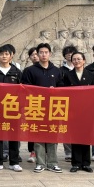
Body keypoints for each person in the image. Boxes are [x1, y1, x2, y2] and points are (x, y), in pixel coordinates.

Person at [21, 43, 64, 173]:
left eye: (46, 52)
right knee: (38, 135)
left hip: (53, 108)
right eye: (41, 52)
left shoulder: (57, 71)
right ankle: (40, 163)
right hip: (36, 107)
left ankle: (52, 162)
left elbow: (62, 88)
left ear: (50, 54)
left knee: (52, 135)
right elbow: (25, 88)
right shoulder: (30, 71)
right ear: (37, 54)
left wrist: (55, 90)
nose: (43, 55)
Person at [0, 44, 23, 172]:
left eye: (6, 54)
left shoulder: (16, 72)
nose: (4, 56)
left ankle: (14, 162)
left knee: (13, 135)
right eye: (2, 54)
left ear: (11, 56)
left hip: (13, 108)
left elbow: (24, 89)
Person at [63, 51, 94, 173]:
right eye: (74, 59)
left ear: (84, 60)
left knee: (86, 136)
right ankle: (76, 163)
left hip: (87, 110)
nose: (76, 61)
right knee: (75, 136)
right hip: (73, 110)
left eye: (79, 59)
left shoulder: (91, 75)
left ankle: (86, 163)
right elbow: (63, 90)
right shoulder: (68, 75)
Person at [60, 45, 78, 162]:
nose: (70, 55)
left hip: (79, 103)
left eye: (72, 53)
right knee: (65, 127)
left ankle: (78, 151)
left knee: (77, 127)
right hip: (65, 102)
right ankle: (68, 152)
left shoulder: (80, 69)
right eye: (67, 54)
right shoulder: (61, 70)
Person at [23, 47, 39, 163]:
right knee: (33, 128)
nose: (35, 56)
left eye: (37, 54)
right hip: (33, 104)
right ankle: (33, 151)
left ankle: (45, 152)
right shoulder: (28, 70)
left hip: (48, 104)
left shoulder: (52, 70)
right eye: (32, 54)